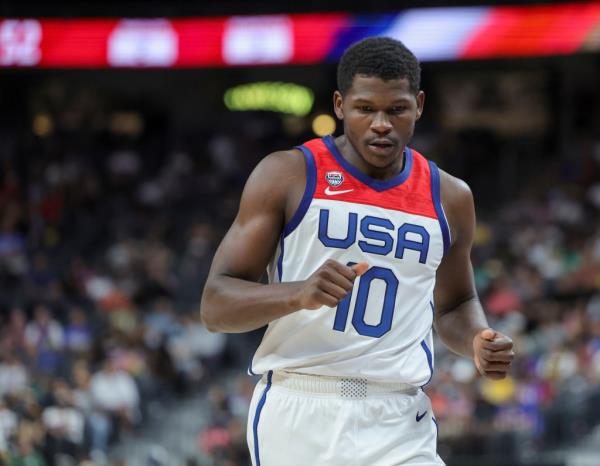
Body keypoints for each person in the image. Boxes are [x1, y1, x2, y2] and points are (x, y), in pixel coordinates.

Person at [201, 37, 514, 466]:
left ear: (418, 105)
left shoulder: (451, 196)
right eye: (366, 108)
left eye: (396, 109)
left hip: (399, 413)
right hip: (301, 404)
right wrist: (297, 294)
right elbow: (215, 305)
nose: (381, 123)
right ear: (340, 104)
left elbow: (457, 303)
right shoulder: (287, 174)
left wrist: (477, 339)